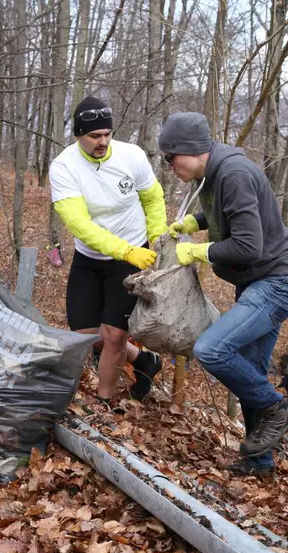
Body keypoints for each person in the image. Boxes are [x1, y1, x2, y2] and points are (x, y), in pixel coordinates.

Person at [159, 112, 288, 477]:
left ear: (189, 150)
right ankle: (260, 463)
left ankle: (278, 409)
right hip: (260, 283)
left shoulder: (234, 174)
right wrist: (196, 220)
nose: (169, 166)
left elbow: (248, 245)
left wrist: (198, 251)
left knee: (212, 350)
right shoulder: (213, 173)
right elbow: (230, 214)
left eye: (169, 157)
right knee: (250, 373)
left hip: (277, 284)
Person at [49, 96, 167, 403]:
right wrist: (125, 251)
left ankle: (103, 403)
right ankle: (144, 361)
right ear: (78, 135)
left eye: (107, 134)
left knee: (115, 335)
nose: (103, 141)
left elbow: (153, 198)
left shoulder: (132, 156)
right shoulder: (64, 167)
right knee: (86, 337)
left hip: (132, 257)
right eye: (94, 136)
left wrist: (155, 238)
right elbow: (80, 225)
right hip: (92, 258)